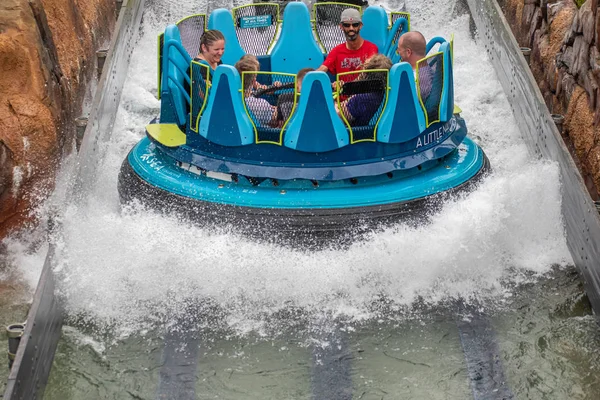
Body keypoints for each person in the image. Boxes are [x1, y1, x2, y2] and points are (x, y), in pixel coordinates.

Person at [317, 8, 378, 86]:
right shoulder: (336, 51)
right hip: (341, 97)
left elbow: (366, 72)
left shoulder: (371, 48)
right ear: (341, 27)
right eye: (347, 25)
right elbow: (321, 71)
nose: (351, 28)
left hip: (363, 96)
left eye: (355, 24)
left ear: (360, 26)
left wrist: (346, 86)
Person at [336, 54, 392, 126]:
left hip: (353, 131)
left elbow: (339, 116)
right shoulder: (380, 92)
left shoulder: (362, 98)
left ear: (366, 73)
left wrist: (332, 103)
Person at [235, 54, 278, 127]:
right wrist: (278, 110)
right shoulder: (260, 104)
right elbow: (274, 122)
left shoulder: (231, 96)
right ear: (253, 80)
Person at [397, 31, 433, 99]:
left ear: (408, 52)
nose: (398, 53)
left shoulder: (413, 81)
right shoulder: (427, 71)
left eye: (399, 50)